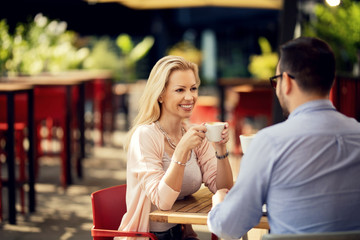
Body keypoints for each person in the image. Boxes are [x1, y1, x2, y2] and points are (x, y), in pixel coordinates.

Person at [207, 37, 360, 239]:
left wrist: (219, 204)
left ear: (286, 81)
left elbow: (228, 226)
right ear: (331, 81)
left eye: (276, 80)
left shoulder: (270, 142)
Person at [116, 55, 233, 240]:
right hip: (147, 235)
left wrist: (220, 150)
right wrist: (182, 150)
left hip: (181, 233)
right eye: (180, 90)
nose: (190, 97)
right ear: (160, 94)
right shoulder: (145, 136)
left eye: (193, 88)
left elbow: (224, 189)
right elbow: (163, 201)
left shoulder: (193, 134)